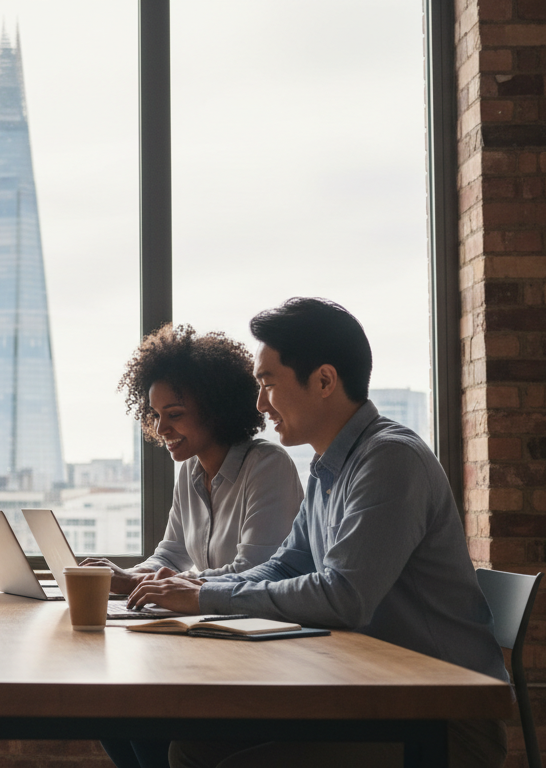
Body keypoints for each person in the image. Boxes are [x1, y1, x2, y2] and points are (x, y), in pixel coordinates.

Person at [125, 299, 508, 768]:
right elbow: (288, 563)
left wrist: (205, 599)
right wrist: (199, 586)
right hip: (369, 697)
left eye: (267, 384)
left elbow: (343, 596)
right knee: (188, 748)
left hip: (437, 720)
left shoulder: (389, 460)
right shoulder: (329, 468)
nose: (260, 402)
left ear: (324, 380)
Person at [81, 324, 303, 768]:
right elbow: (170, 553)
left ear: (216, 408)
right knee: (104, 711)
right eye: (156, 414)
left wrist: (167, 586)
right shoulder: (190, 473)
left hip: (258, 655)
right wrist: (128, 578)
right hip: (209, 646)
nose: (161, 427)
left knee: (147, 723)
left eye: (175, 413)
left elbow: (254, 569)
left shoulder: (267, 467)